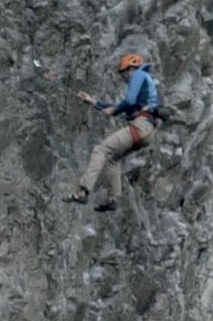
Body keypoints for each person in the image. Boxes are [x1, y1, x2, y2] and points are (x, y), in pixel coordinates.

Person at [66, 53, 161, 212]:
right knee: (113, 160)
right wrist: (93, 102)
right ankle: (113, 199)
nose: (123, 78)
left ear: (130, 68)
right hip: (148, 132)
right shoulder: (145, 87)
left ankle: (83, 191)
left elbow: (127, 102)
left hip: (140, 127)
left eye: (124, 73)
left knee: (101, 150)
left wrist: (115, 109)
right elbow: (123, 108)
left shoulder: (139, 74)